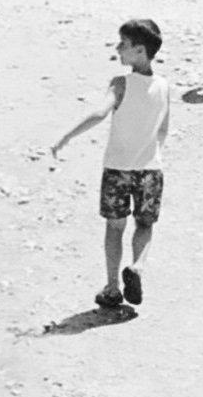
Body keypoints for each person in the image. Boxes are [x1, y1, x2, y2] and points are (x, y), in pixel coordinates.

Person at [49, 16, 170, 313]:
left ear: (140, 51)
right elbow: (163, 129)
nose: (118, 49)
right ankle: (138, 267)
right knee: (145, 225)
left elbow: (100, 113)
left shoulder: (120, 83)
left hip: (117, 168)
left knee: (115, 227)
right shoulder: (164, 86)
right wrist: (153, 155)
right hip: (150, 169)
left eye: (124, 45)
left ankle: (113, 287)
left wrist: (66, 136)